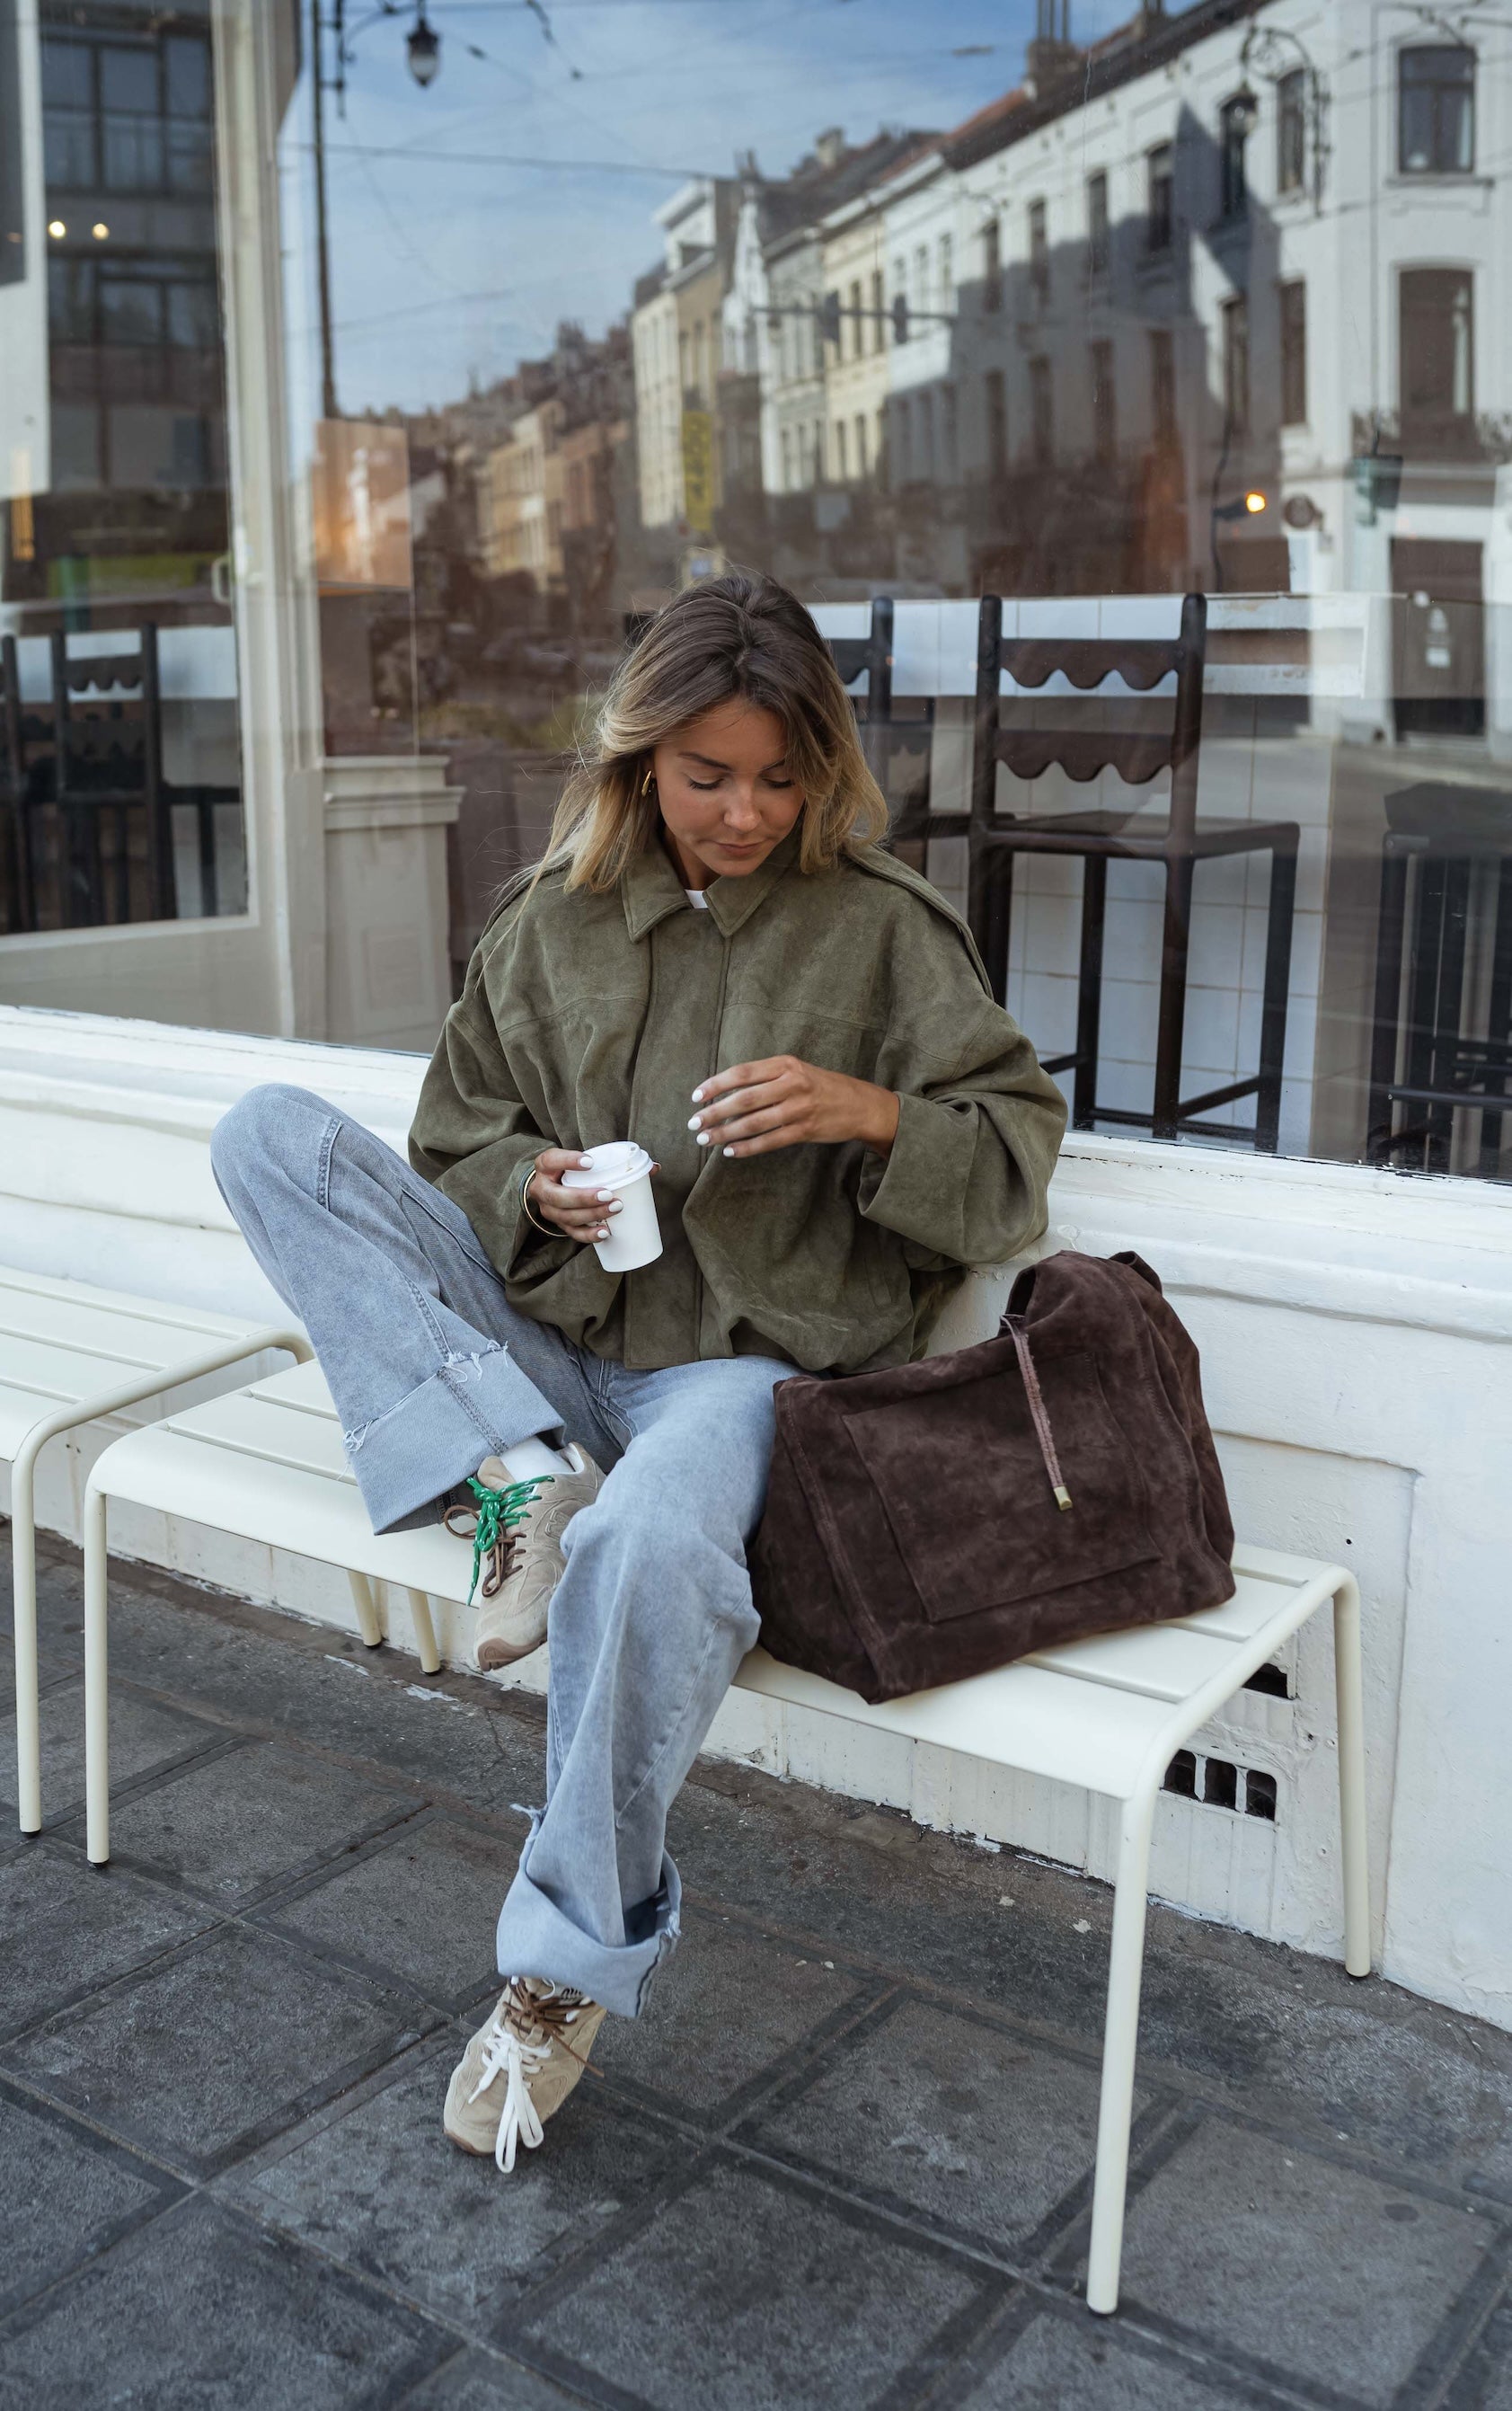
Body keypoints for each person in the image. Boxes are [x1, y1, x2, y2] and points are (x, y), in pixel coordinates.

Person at [210, 570, 1065, 2176]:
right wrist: (529, 1186)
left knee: (647, 1551)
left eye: (779, 777)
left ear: (822, 766)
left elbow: (1014, 1154)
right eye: (705, 775)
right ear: (638, 760)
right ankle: (514, 1473)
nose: (745, 813)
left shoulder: (883, 928)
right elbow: (452, 1138)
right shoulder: (549, 920)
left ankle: (558, 1972)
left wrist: (866, 1113)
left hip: (735, 1376)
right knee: (268, 1135)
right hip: (546, 1341)